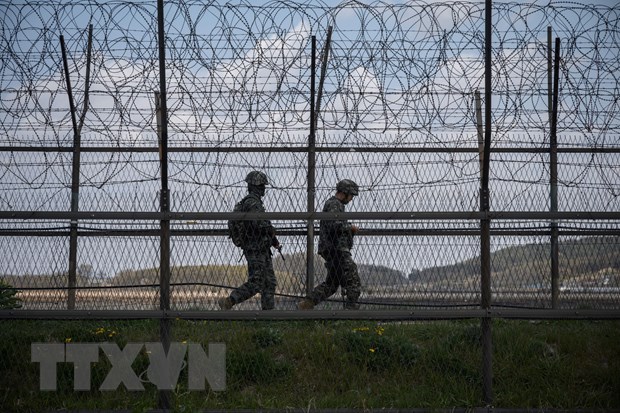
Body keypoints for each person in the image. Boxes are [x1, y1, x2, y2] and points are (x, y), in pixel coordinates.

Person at [219, 171, 281, 310]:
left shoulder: (254, 202)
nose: (264, 188)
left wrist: (273, 239)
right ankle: (230, 301)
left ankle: (268, 314)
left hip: (261, 248)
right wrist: (270, 229)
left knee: (269, 282)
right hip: (256, 248)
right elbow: (258, 223)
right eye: (262, 185)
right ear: (255, 186)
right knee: (256, 282)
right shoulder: (252, 202)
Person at [298, 179, 361, 310]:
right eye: (351, 195)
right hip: (336, 249)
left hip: (333, 249)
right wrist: (350, 228)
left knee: (332, 284)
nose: (351, 199)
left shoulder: (335, 204)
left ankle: (306, 305)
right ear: (345, 193)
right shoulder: (334, 204)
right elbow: (334, 225)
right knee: (352, 279)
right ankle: (351, 312)